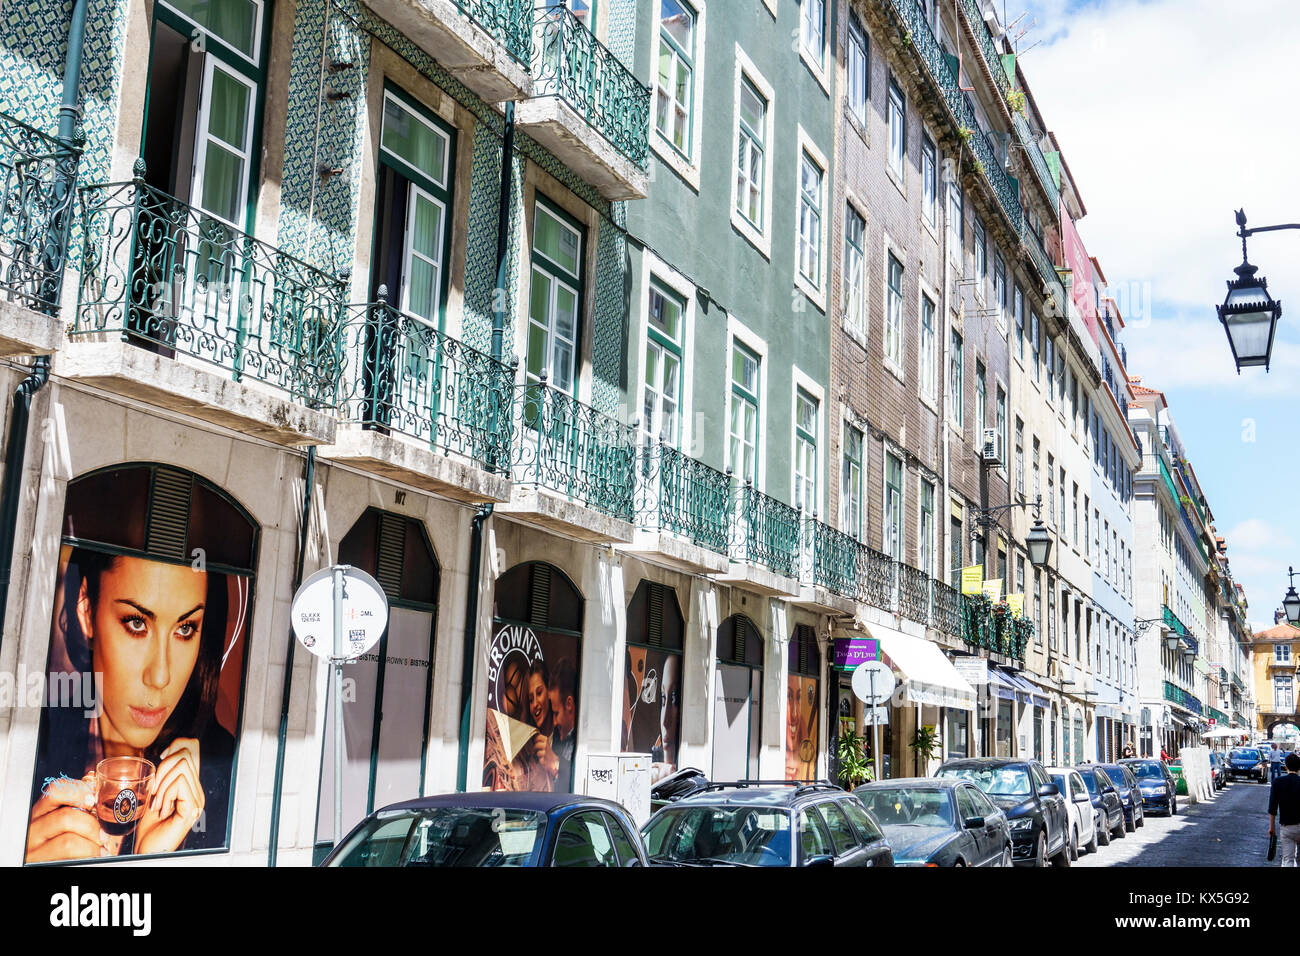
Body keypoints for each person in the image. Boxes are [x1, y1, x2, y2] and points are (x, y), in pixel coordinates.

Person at [25, 550, 234, 863]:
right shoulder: (27, 740)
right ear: (86, 610)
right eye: (137, 623)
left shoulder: (226, 778)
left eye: (185, 628)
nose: (160, 676)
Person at [1268, 752, 1300, 867]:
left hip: (1287, 827)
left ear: (1285, 767)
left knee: (1288, 860)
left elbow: (1272, 808)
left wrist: (1272, 828)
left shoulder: (1278, 782)